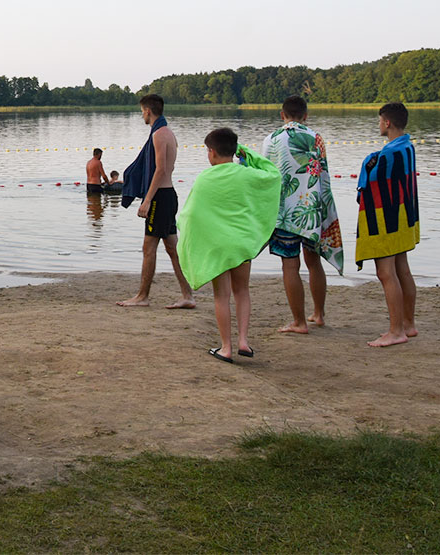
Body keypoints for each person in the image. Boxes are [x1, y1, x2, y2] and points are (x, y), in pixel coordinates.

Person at [176, 128, 281, 363]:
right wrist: (248, 154)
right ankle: (244, 341)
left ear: (212, 152)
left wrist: (184, 229)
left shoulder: (206, 178)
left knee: (221, 296)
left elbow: (191, 214)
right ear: (234, 151)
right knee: (242, 290)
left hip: (219, 247)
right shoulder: (247, 174)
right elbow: (273, 174)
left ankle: (226, 348)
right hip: (241, 243)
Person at [262, 95, 344, 333]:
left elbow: (266, 175)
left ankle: (298, 322)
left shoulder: (272, 139)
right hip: (313, 207)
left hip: (286, 212)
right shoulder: (316, 137)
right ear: (306, 115)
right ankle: (318, 314)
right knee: (313, 261)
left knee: (290, 265)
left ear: (282, 115)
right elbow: (323, 173)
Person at [116, 94, 195, 309]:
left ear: (148, 111)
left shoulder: (159, 135)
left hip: (160, 197)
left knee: (149, 248)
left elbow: (160, 169)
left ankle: (143, 296)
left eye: (142, 111)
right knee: (172, 248)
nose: (142, 114)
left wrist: (147, 199)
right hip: (169, 194)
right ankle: (187, 294)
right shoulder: (169, 133)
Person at [356, 102, 419, 347]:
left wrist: (370, 162)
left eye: (380, 120)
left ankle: (396, 331)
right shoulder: (407, 147)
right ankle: (409, 324)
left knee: (385, 273)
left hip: (387, 220)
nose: (379, 124)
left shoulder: (389, 154)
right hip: (404, 217)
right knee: (402, 268)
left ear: (387, 122)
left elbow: (370, 185)